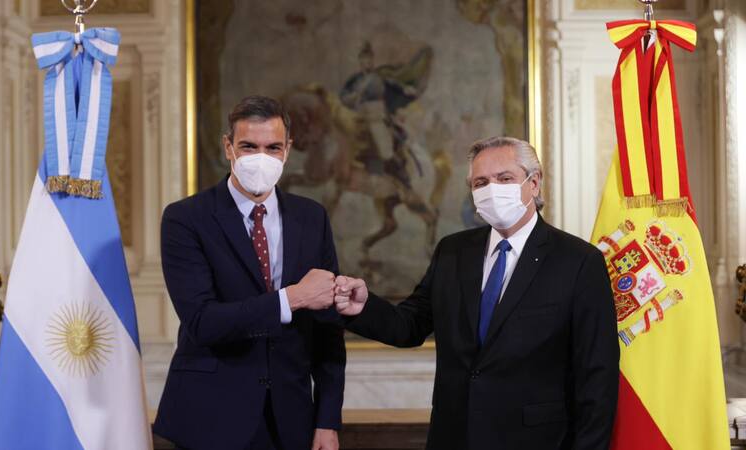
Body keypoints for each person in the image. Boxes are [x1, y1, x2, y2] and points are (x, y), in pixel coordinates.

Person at [334, 136, 619, 450]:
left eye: (504, 178)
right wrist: (363, 307)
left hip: (537, 440)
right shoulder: (453, 251)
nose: (492, 190)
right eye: (481, 182)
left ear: (534, 183)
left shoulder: (579, 261)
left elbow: (597, 375)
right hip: (454, 437)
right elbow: (410, 325)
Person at [154, 95, 345, 450]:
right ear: (228, 147)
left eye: (273, 147)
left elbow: (327, 328)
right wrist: (291, 299)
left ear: (288, 150)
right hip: (210, 416)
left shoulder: (311, 217)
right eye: (248, 146)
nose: (261, 157)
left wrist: (327, 419)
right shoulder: (186, 218)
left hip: (291, 418)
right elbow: (202, 321)